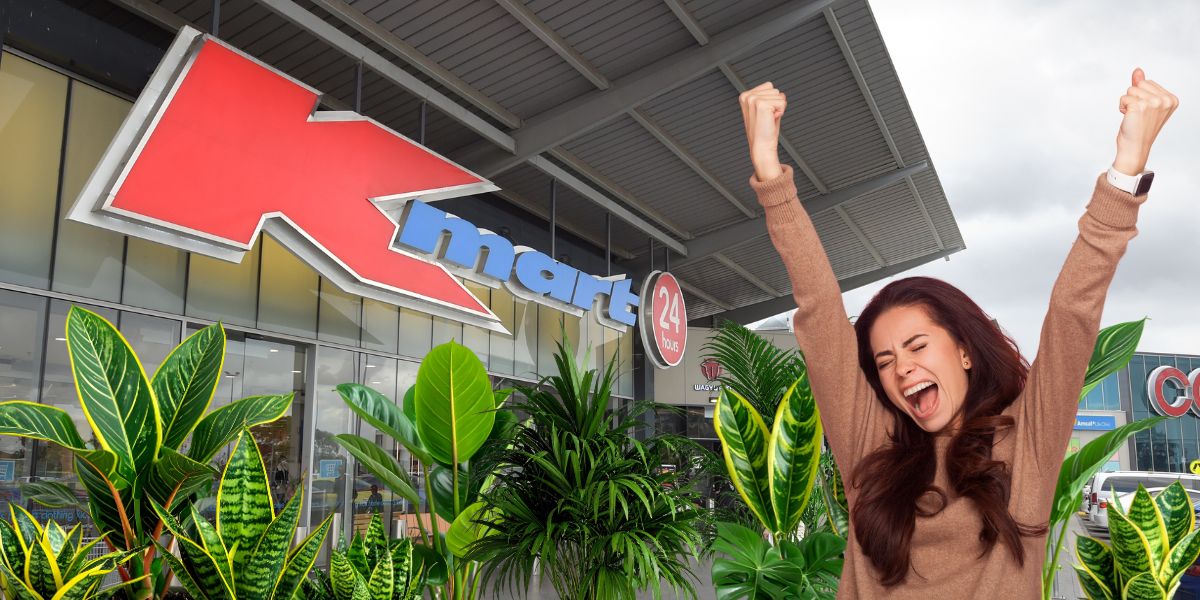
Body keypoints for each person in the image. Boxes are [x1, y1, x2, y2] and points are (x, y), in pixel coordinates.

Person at [740, 69, 1177, 598]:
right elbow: (820, 310)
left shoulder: (1026, 444)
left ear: (965, 352)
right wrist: (770, 175)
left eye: (917, 345)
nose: (901, 367)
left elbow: (1072, 313)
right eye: (884, 361)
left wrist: (1126, 169)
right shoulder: (869, 447)